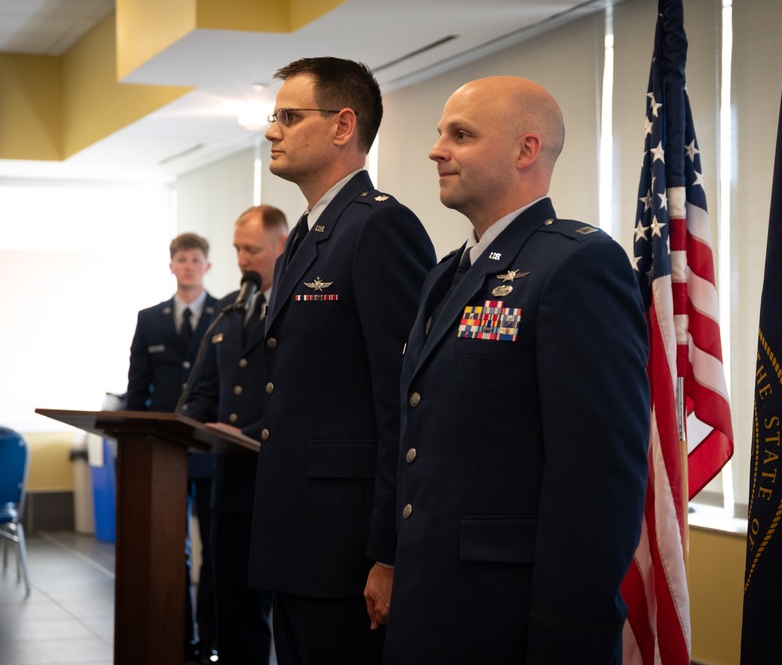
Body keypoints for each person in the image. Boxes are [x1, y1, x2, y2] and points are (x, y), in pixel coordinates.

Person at [383, 76, 651, 664]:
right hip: (431, 606)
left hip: (510, 619)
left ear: (526, 151)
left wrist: (569, 634)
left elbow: (597, 479)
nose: (436, 149)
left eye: (461, 134)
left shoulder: (577, 264)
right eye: (439, 133)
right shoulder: (448, 273)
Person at [249, 57, 435, 665]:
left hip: (345, 549)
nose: (272, 131)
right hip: (297, 538)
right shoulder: (309, 233)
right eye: (274, 118)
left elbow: (404, 399)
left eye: (288, 116)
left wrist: (389, 552)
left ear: (342, 125)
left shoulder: (380, 227)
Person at [182, 205, 288, 664]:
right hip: (229, 483)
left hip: (275, 483)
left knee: (274, 609)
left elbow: (298, 396)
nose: (243, 259)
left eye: (253, 249)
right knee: (230, 601)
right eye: (237, 250)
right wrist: (188, 419)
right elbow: (204, 389)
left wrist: (245, 432)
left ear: (282, 246)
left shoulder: (298, 309)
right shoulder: (229, 312)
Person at [125, 231, 219, 662]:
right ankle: (177, 637)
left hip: (211, 450)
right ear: (171, 266)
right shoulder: (150, 319)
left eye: (195, 259)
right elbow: (136, 391)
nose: (188, 266)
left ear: (207, 266)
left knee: (214, 551)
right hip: (163, 453)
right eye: (181, 259)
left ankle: (211, 639)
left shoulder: (226, 315)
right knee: (169, 547)